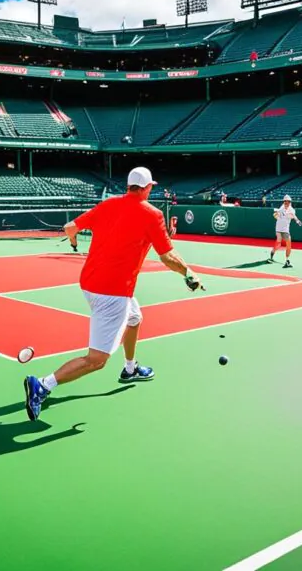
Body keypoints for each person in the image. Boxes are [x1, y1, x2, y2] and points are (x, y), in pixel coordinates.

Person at [23, 167, 201, 422]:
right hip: (113, 293)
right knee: (97, 359)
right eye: (151, 186)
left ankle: (130, 368)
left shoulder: (107, 205)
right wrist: (188, 273)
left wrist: (73, 243)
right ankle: (42, 385)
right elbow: (167, 256)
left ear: (130, 186)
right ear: (147, 188)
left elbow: (69, 227)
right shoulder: (153, 214)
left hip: (89, 283)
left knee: (135, 318)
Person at [270, 195, 301, 268]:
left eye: (288, 201)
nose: (286, 203)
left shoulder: (292, 210)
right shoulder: (281, 208)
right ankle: (272, 252)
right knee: (278, 243)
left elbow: (294, 216)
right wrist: (275, 215)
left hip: (285, 230)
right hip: (278, 229)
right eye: (285, 201)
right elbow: (275, 215)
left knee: (289, 245)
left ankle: (287, 261)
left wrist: (297, 221)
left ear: (290, 202)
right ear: (283, 202)